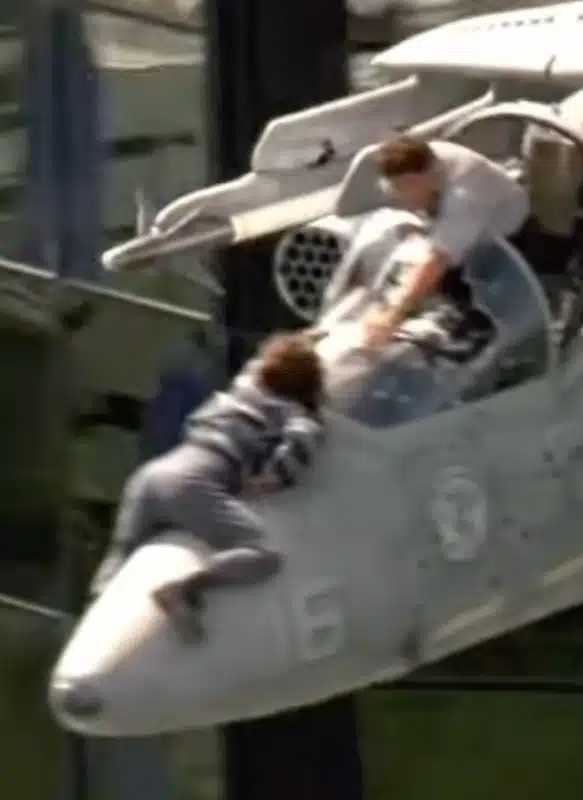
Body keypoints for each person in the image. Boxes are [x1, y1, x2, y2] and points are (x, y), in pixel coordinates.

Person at [90, 331, 325, 642]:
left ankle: (91, 627)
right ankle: (185, 589)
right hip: (194, 484)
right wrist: (274, 477)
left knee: (116, 563)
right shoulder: (289, 411)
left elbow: (259, 363)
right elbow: (303, 438)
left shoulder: (239, 390)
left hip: (150, 476)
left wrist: (306, 338)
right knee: (264, 553)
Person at [361, 135, 531, 350]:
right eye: (394, 187)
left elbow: (438, 260)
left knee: (481, 304)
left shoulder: (465, 196)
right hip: (452, 217)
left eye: (405, 187)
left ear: (429, 177)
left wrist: (392, 317)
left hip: (505, 237)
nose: (398, 196)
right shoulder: (420, 160)